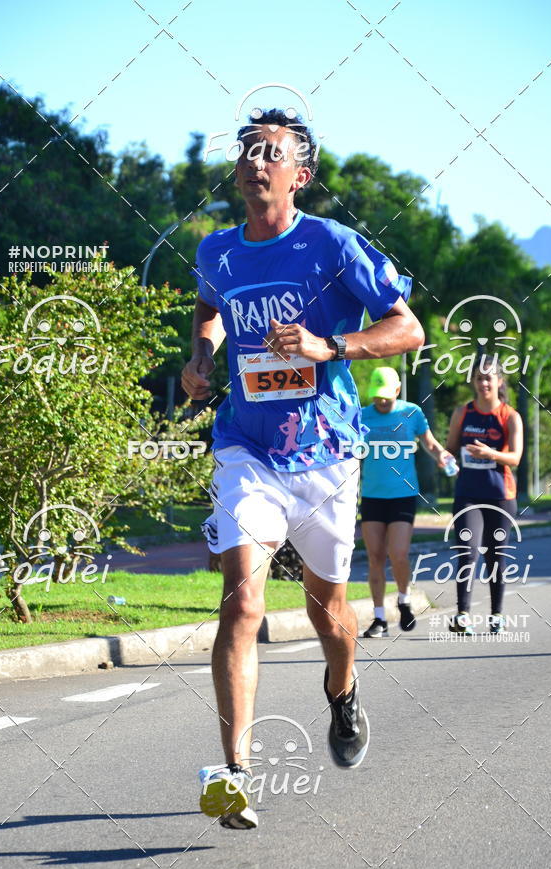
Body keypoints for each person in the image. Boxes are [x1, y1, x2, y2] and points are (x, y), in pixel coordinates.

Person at [181, 108, 424, 829]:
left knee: (329, 614)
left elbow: (407, 329)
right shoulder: (216, 252)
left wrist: (331, 347)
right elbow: (209, 308)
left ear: (300, 175)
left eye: (272, 154)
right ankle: (234, 775)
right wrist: (200, 357)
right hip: (245, 446)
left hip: (325, 452)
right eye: (248, 153)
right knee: (243, 603)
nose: (256, 163)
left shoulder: (332, 244)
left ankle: (342, 693)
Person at [359, 367, 454, 637]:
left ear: (397, 391)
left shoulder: (411, 412)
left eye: (386, 397)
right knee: (375, 557)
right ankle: (379, 619)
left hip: (402, 495)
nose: (381, 402)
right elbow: (351, 450)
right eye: (377, 397)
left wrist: (443, 457)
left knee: (398, 554)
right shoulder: (364, 415)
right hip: (372, 496)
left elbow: (430, 443)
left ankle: (404, 598)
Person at [445, 355, 523, 635]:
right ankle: (463, 614)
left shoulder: (510, 416)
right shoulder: (462, 413)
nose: (484, 383)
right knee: (466, 552)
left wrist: (489, 453)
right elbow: (450, 449)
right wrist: (445, 459)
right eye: (479, 378)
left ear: (499, 381)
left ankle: (497, 615)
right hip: (467, 494)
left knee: (496, 557)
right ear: (474, 382)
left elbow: (515, 457)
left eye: (489, 377)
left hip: (501, 495)